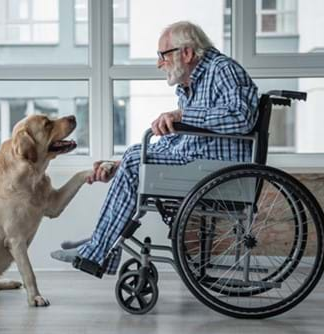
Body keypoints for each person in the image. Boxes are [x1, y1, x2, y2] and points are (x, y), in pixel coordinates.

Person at [50, 21, 259, 275]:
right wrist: (120, 165)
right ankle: (99, 245)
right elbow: (180, 139)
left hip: (220, 172)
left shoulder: (223, 70)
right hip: (199, 164)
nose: (159, 63)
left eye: (163, 55)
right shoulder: (191, 84)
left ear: (188, 53)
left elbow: (242, 118)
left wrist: (185, 115)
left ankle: (98, 249)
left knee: (136, 158)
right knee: (135, 154)